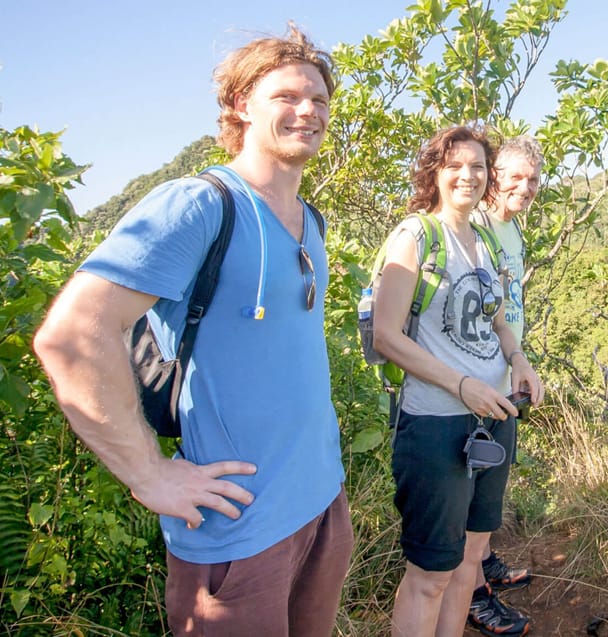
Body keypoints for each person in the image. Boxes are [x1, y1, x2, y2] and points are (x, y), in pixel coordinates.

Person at [33, 23, 352, 636]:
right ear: (241, 105)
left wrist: (331, 495)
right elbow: (71, 336)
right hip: (237, 533)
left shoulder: (310, 219)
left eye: (318, 97)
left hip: (321, 505)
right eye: (286, 96)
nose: (308, 109)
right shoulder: (200, 205)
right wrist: (148, 474)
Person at [373, 125, 544, 637]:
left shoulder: (486, 239)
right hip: (436, 422)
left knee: (470, 559)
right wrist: (461, 384)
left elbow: (496, 317)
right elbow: (386, 336)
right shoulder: (416, 236)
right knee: (430, 575)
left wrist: (518, 358)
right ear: (435, 173)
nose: (468, 175)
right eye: (456, 166)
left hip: (494, 416)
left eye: (477, 166)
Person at [466, 136, 544, 634]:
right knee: (471, 490)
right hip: (473, 379)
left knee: (494, 478)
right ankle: (473, 594)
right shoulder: (475, 226)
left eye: (533, 179)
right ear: (493, 176)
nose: (525, 187)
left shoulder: (511, 232)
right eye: (514, 176)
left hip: (505, 372)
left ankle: (486, 562)